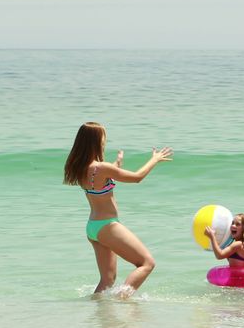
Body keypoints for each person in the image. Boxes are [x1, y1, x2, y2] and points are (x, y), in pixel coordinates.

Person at [63, 122, 173, 296]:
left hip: (93, 227)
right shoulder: (101, 167)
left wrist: (116, 164)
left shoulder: (82, 168)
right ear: (96, 141)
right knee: (147, 263)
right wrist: (155, 159)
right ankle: (122, 299)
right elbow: (137, 177)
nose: (104, 141)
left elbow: (102, 179)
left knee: (107, 279)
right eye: (103, 137)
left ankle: (99, 313)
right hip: (108, 226)